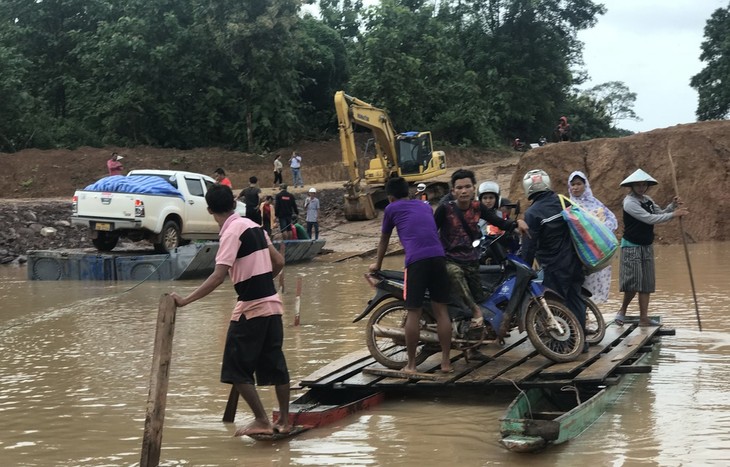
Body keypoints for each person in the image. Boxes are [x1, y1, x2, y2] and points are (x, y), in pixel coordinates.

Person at [169, 184, 290, 437]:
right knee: (275, 364)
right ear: (234, 205)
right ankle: (285, 421)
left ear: (210, 210)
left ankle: (261, 420)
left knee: (235, 369)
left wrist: (185, 300)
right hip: (273, 304)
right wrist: (264, 282)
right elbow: (278, 261)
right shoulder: (253, 226)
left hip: (252, 308)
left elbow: (217, 277)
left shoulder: (230, 232)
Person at [369, 176, 452, 374]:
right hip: (439, 257)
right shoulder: (424, 206)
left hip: (416, 261)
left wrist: (377, 264)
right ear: (408, 193)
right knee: (442, 311)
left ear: (390, 198)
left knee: (413, 311)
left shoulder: (391, 209)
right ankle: (447, 363)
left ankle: (412, 365)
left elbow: (384, 240)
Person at [434, 169, 528, 336]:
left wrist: (516, 224)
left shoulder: (478, 208)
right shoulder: (444, 209)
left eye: (467, 187)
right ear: (453, 191)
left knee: (481, 296)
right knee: (455, 274)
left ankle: (473, 344)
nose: (463, 191)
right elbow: (432, 232)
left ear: (473, 189)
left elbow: (498, 221)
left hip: (472, 259)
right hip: (450, 259)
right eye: (459, 187)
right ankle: (474, 311)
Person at [520, 169, 587, 351]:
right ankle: (582, 343)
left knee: (556, 304)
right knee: (576, 299)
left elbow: (529, 246)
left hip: (554, 265)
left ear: (528, 189)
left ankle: (565, 344)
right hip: (575, 259)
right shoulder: (562, 200)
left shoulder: (532, 213)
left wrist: (522, 266)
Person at [614, 169, 689, 327]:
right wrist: (674, 214)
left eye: (644, 185)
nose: (641, 188)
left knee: (647, 283)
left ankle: (644, 318)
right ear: (632, 186)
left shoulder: (647, 199)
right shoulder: (629, 202)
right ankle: (622, 310)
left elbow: (660, 213)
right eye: (638, 185)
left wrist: (672, 206)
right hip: (631, 247)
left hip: (646, 246)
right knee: (633, 284)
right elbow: (649, 219)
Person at [569, 171, 618, 304]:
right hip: (580, 252)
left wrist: (599, 228)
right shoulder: (568, 206)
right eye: (572, 184)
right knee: (582, 284)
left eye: (579, 184)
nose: (575, 187)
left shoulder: (596, 204)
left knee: (595, 281)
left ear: (585, 185)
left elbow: (611, 219)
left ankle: (591, 312)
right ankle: (584, 314)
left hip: (597, 251)